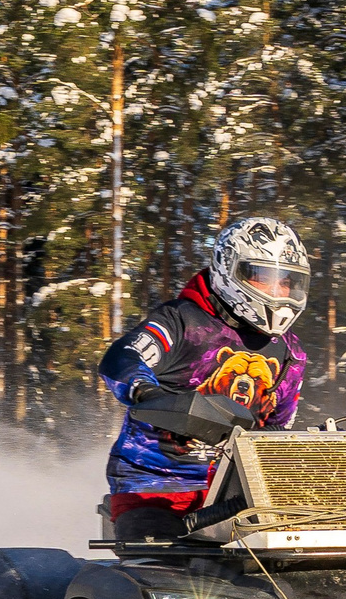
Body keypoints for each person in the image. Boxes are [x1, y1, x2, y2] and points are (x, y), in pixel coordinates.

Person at [98, 217, 312, 540]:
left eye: (286, 282)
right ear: (230, 269)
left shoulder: (289, 352)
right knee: (162, 576)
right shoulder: (182, 321)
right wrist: (147, 393)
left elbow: (277, 433)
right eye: (263, 278)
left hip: (238, 497)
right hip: (154, 489)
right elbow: (122, 357)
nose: (277, 291)